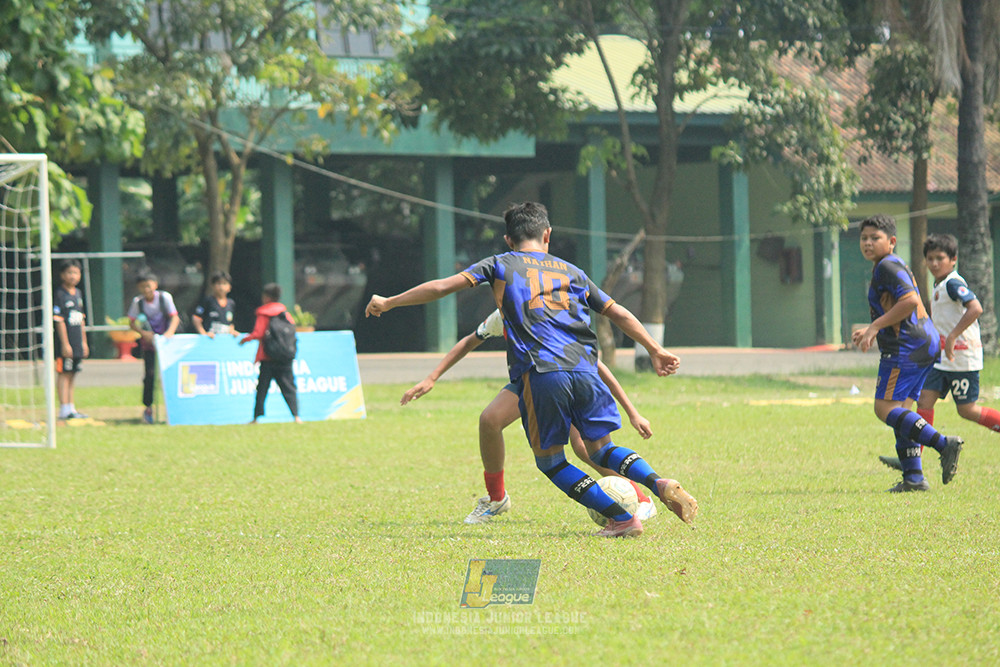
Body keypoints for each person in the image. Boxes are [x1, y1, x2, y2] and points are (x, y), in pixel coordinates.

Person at [367, 201, 697, 538]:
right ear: (547, 234)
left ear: (508, 240)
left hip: (543, 373)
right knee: (603, 450)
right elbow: (619, 313)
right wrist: (655, 349)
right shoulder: (573, 272)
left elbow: (440, 287)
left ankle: (622, 519)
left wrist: (389, 302)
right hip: (586, 370)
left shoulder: (499, 265)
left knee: (552, 462)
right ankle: (658, 482)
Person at [402, 308, 660, 524]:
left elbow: (596, 365)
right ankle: (496, 499)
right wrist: (432, 377)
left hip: (566, 380)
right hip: (531, 382)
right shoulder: (502, 312)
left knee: (585, 448)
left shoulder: (552, 311)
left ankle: (641, 498)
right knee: (489, 420)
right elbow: (471, 340)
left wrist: (632, 412)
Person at [850, 215, 963, 492]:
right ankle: (913, 478)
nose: (868, 243)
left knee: (885, 408)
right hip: (922, 343)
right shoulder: (887, 265)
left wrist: (875, 327)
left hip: (907, 348)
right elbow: (901, 306)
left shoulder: (887, 265)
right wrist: (873, 327)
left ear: (891, 242)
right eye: (864, 238)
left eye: (875, 238)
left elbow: (911, 301)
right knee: (901, 411)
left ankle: (942, 443)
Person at [880, 233, 1000, 471]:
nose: (934, 263)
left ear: (953, 259)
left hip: (962, 358)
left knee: (967, 410)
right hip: (942, 359)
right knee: (924, 401)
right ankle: (913, 459)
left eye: (940, 258)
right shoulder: (940, 285)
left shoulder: (954, 283)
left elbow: (975, 308)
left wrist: (953, 335)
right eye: (930, 258)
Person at [240, 283, 301, 424]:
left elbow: (258, 333)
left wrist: (245, 339)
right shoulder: (285, 313)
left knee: (262, 389)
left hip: (268, 358)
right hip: (285, 358)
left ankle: (255, 418)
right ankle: (297, 417)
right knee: (289, 387)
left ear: (267, 297)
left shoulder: (263, 313)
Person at [128, 272, 181, 424]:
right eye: (142, 286)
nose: (146, 289)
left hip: (168, 345)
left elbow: (174, 317)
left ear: (155, 285)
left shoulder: (165, 298)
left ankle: (174, 407)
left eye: (148, 285)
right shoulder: (138, 302)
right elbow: (131, 322)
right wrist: (143, 334)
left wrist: (169, 333)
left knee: (172, 374)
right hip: (149, 345)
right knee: (150, 375)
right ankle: (148, 408)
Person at [52, 259, 89, 419]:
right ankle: (63, 408)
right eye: (69, 273)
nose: (72, 276)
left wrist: (84, 342)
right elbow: (59, 320)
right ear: (62, 275)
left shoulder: (78, 294)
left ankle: (71, 408)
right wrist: (65, 344)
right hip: (65, 343)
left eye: (75, 272)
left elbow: (81, 319)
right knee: (64, 373)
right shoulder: (59, 294)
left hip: (77, 342)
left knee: (73, 373)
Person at [193, 270, 238, 337]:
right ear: (212, 286)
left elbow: (230, 323)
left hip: (224, 341)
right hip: (211, 340)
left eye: (224, 283)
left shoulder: (231, 303)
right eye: (219, 283)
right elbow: (196, 318)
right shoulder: (208, 301)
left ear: (229, 287)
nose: (221, 287)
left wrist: (232, 331)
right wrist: (204, 334)